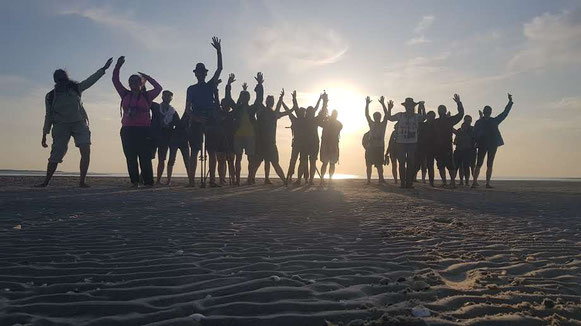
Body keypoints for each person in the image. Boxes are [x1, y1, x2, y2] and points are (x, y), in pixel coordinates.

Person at [36, 58, 113, 188]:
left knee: (85, 150)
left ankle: (82, 181)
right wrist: (45, 134)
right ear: (55, 81)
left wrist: (103, 69)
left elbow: (90, 81)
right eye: (59, 79)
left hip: (79, 123)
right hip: (60, 126)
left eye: (64, 79)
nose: (62, 82)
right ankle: (46, 181)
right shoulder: (50, 96)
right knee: (56, 153)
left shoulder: (76, 88)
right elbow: (48, 116)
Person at [112, 56, 162, 188]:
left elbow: (158, 88)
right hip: (127, 129)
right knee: (130, 156)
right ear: (129, 83)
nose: (133, 83)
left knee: (145, 156)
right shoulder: (125, 94)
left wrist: (147, 77)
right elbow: (115, 80)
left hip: (143, 129)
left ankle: (148, 181)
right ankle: (134, 181)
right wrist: (118, 66)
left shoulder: (147, 95)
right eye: (131, 81)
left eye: (136, 81)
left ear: (141, 83)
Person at [185, 36, 222, 187]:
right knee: (194, 151)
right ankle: (192, 180)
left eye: (202, 72)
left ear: (205, 74)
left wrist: (219, 51)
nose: (200, 74)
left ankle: (212, 180)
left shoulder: (210, 85)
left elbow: (220, 69)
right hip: (197, 118)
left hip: (211, 117)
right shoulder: (191, 89)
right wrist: (196, 118)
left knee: (211, 151)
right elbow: (187, 109)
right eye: (198, 72)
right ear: (196, 74)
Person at [223, 73, 263, 185]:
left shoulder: (251, 108)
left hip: (250, 136)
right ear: (240, 98)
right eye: (243, 97)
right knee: (238, 159)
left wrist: (259, 84)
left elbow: (259, 99)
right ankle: (237, 180)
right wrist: (228, 85)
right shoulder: (236, 108)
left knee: (250, 159)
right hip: (238, 136)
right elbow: (228, 99)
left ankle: (250, 179)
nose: (244, 98)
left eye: (246, 97)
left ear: (248, 98)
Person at [472, 93, 514, 188]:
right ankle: (475, 181)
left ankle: (487, 182)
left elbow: (504, 113)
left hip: (492, 144)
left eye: (488, 111)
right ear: (484, 112)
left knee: (489, 163)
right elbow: (474, 133)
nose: (487, 112)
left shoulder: (494, 121)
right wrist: (475, 141)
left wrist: (510, 102)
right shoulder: (479, 122)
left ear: (490, 112)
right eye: (486, 111)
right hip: (482, 144)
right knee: (479, 163)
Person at [251, 88, 290, 185]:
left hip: (270, 143)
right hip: (262, 142)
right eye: (269, 101)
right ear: (267, 102)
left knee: (271, 162)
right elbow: (260, 100)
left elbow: (279, 109)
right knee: (259, 162)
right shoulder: (262, 111)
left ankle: (281, 180)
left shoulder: (272, 113)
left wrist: (281, 98)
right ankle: (251, 178)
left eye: (271, 101)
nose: (270, 102)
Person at [386, 97, 425, 188]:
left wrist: (423, 109)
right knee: (402, 163)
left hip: (412, 142)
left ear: (413, 106)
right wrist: (389, 108)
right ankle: (403, 183)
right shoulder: (400, 115)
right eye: (407, 106)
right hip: (401, 142)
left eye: (410, 106)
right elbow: (390, 118)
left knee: (411, 163)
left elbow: (423, 118)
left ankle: (409, 183)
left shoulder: (416, 116)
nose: (409, 107)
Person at [432, 94, 465, 188]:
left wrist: (459, 103)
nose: (441, 111)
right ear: (438, 111)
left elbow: (460, 114)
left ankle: (452, 182)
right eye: (440, 110)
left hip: (446, 146)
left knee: (450, 165)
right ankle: (445, 182)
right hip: (438, 147)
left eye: (442, 110)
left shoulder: (449, 120)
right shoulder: (436, 122)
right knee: (441, 165)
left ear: (445, 111)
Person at [151, 90, 179, 184]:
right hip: (155, 135)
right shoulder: (156, 107)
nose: (167, 97)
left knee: (163, 159)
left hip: (167, 136)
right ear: (162, 97)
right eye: (165, 95)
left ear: (171, 98)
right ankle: (149, 178)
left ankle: (164, 180)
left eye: (169, 96)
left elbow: (178, 124)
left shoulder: (173, 111)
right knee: (150, 157)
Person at [299, 93, 327, 185]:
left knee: (305, 162)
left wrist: (321, 100)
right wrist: (323, 100)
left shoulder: (304, 120)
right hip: (312, 143)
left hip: (308, 143)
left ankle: (306, 179)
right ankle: (309, 179)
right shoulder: (314, 120)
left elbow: (318, 109)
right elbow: (320, 110)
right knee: (311, 162)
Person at [282, 92, 309, 184]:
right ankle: (293, 177)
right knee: (298, 161)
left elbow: (292, 110)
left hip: (301, 144)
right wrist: (290, 100)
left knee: (301, 161)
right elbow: (291, 110)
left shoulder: (302, 120)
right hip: (298, 143)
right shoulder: (298, 120)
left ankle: (301, 178)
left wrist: (292, 99)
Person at [364, 96, 390, 184]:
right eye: (375, 116)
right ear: (374, 117)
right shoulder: (372, 124)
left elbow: (386, 115)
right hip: (371, 147)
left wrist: (383, 104)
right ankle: (368, 180)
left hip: (379, 147)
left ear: (380, 117)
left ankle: (381, 179)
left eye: (378, 116)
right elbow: (367, 115)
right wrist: (367, 104)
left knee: (379, 164)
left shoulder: (383, 124)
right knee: (369, 164)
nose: (377, 118)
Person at [320, 104, 343, 185]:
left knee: (332, 163)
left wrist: (328, 119)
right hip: (326, 145)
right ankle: (322, 179)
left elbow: (335, 130)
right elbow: (320, 122)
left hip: (333, 145)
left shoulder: (338, 124)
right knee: (325, 163)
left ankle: (329, 179)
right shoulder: (327, 122)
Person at [166, 114, 192, 185]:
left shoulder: (189, 117)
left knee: (186, 161)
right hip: (176, 139)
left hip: (182, 140)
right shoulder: (186, 117)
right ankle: (168, 180)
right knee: (172, 159)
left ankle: (190, 179)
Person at [216, 97, 236, 185]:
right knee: (221, 160)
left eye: (227, 105)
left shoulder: (232, 114)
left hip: (230, 139)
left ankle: (233, 178)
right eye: (224, 105)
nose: (226, 107)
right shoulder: (218, 113)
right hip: (220, 138)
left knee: (231, 160)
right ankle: (222, 179)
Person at [453, 115, 475, 186]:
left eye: (469, 120)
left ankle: (469, 181)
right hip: (459, 151)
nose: (467, 122)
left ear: (471, 121)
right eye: (466, 120)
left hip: (469, 151)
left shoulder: (473, 129)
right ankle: (461, 181)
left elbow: (474, 139)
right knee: (459, 166)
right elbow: (455, 141)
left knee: (469, 166)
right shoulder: (459, 130)